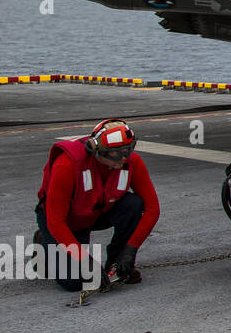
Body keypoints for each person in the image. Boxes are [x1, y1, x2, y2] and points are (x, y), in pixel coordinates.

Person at [35, 119, 159, 292]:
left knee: (133, 204)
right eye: (115, 153)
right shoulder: (66, 165)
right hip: (65, 222)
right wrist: (85, 261)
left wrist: (130, 251)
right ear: (97, 151)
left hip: (96, 212)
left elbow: (152, 209)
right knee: (74, 282)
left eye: (127, 150)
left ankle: (116, 262)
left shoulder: (132, 162)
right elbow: (56, 222)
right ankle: (43, 242)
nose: (123, 158)